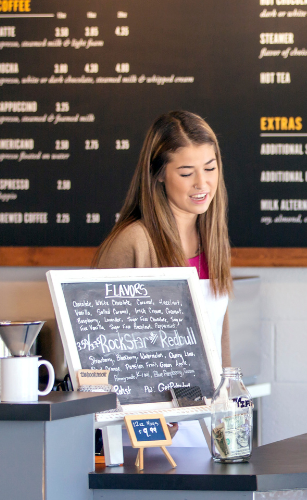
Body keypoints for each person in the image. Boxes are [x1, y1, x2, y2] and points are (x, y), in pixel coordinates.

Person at [93, 110, 233, 445]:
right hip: (146, 429)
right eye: (187, 173)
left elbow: (218, 342)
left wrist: (228, 410)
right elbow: (96, 350)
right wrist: (139, 417)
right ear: (158, 175)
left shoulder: (213, 239)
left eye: (210, 168)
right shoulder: (133, 242)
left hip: (204, 425)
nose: (203, 184)